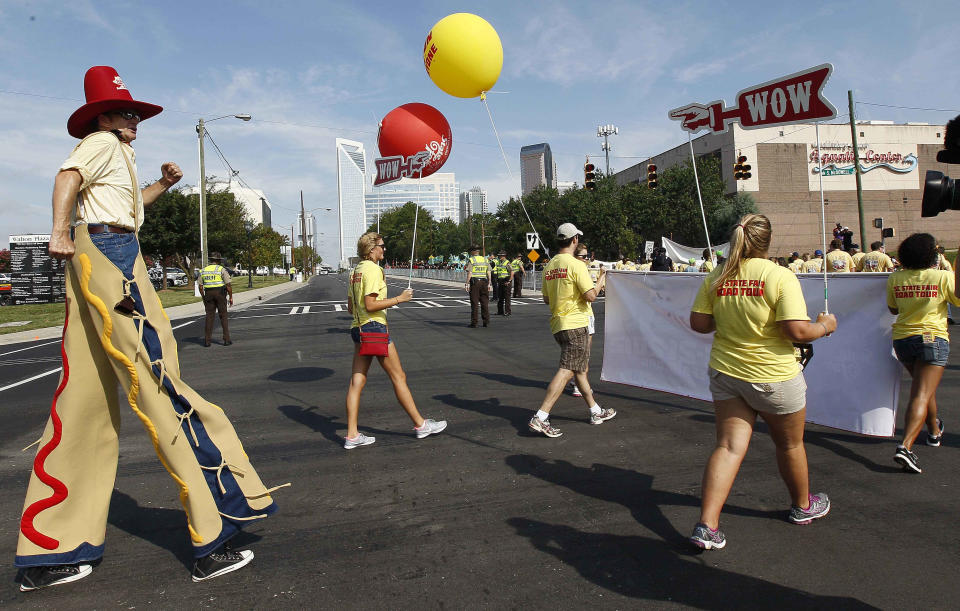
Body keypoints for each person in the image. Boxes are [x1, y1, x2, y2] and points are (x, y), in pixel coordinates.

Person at [15, 66, 280, 591]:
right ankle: (216, 530)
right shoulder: (101, 143)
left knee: (83, 400)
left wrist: (162, 184)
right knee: (159, 382)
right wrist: (59, 230)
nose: (135, 119)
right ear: (103, 117)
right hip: (110, 259)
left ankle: (51, 549)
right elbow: (68, 177)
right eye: (126, 112)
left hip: (106, 250)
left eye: (136, 112)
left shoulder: (119, 154)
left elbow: (124, 211)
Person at [688, 213, 836, 550]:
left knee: (728, 447)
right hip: (774, 377)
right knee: (790, 444)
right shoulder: (779, 276)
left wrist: (729, 316)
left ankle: (707, 525)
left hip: (727, 374)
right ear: (767, 241)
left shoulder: (718, 275)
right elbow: (797, 331)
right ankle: (802, 506)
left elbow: (699, 324)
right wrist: (826, 325)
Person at [345, 232, 447, 450]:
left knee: (356, 382)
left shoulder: (356, 271)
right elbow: (371, 304)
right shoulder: (373, 270)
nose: (385, 249)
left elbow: (351, 307)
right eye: (382, 245)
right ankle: (421, 425)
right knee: (398, 376)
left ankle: (352, 435)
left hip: (358, 329)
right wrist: (399, 299)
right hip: (374, 329)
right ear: (372, 249)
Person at [529, 223, 615, 437]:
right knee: (568, 369)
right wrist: (601, 280)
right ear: (574, 240)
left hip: (558, 325)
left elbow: (547, 298)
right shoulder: (576, 265)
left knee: (579, 369)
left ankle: (595, 411)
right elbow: (590, 296)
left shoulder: (549, 266)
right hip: (576, 323)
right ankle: (541, 416)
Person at [885, 233, 959, 473]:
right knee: (922, 393)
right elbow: (957, 300)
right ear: (932, 254)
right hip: (932, 338)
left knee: (924, 389)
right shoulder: (942, 277)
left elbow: (892, 307)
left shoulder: (896, 278)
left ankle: (934, 431)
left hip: (903, 340)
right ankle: (905, 446)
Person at [569, 243, 603, 398]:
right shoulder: (578, 269)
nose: (587, 260)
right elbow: (592, 295)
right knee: (583, 353)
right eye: (584, 256)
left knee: (575, 354)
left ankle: (576, 380)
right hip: (582, 315)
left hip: (573, 316)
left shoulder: (571, 268)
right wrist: (602, 277)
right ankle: (579, 384)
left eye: (588, 256)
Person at [199, 253, 233, 346]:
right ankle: (226, 339)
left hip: (208, 294)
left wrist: (203, 297)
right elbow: (228, 285)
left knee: (209, 317)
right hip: (220, 294)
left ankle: (207, 341)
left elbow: (200, 287)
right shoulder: (221, 269)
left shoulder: (203, 271)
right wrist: (230, 297)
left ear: (211, 261)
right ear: (218, 261)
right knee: (223, 316)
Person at [464, 245, 491, 328]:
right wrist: (489, 283)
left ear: (473, 252)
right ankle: (486, 321)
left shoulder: (471, 260)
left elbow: (470, 273)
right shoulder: (485, 259)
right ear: (478, 251)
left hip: (475, 283)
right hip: (484, 282)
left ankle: (474, 322)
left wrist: (467, 283)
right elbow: (489, 272)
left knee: (475, 303)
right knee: (484, 302)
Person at [495, 251, 513, 316]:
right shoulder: (498, 263)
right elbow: (497, 272)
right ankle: (500, 311)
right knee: (500, 297)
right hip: (500, 281)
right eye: (499, 255)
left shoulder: (507, 263)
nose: (499, 257)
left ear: (504, 256)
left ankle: (508, 311)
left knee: (507, 298)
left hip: (506, 281)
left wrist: (509, 281)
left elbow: (511, 272)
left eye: (500, 256)